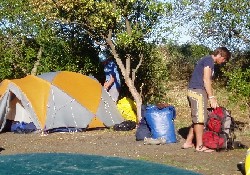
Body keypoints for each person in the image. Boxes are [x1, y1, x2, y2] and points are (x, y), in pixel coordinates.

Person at [182, 47, 231, 152]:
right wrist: (211, 97)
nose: (223, 62)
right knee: (200, 119)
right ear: (220, 55)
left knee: (199, 117)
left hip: (197, 91)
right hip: (197, 91)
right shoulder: (209, 60)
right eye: (224, 59)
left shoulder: (208, 60)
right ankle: (199, 146)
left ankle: (188, 142)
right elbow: (206, 79)